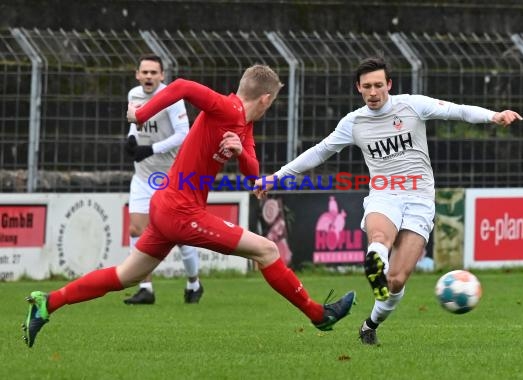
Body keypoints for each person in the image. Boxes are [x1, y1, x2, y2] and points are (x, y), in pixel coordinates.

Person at [21, 64, 355, 348]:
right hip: (180, 210)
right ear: (266, 98)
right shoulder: (226, 108)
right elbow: (181, 86)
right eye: (272, 101)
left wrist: (241, 152)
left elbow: (252, 176)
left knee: (126, 275)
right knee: (267, 250)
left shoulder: (244, 125)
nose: (270, 105)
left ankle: (48, 302)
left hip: (169, 206)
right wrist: (140, 114)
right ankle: (318, 315)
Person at [253, 57, 522, 346]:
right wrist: (277, 176)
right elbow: (321, 151)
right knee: (380, 236)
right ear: (358, 87)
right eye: (366, 86)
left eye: (378, 85)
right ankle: (374, 261)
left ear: (389, 85)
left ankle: (370, 324)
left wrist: (494, 115)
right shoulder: (354, 122)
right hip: (384, 194)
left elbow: (456, 111)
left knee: (396, 281)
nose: (373, 92)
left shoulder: (412, 105)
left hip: (420, 199)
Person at [123, 54, 203, 305]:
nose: (148, 76)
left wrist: (152, 148)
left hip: (170, 177)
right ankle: (145, 287)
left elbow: (183, 134)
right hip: (143, 174)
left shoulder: (171, 98)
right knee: (136, 229)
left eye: (153, 72)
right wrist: (131, 138)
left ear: (161, 76)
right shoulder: (133, 94)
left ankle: (194, 283)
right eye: (144, 72)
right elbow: (135, 123)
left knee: (178, 235)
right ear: (137, 75)